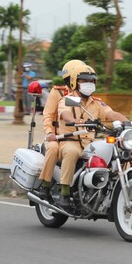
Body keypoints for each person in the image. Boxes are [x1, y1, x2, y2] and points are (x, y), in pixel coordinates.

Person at [55, 65, 132, 210]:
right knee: (72, 152)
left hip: (88, 142)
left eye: (91, 81)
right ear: (75, 82)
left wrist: (130, 123)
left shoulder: (96, 102)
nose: (88, 84)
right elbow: (66, 115)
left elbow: (111, 114)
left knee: (110, 152)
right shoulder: (67, 100)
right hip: (70, 140)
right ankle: (64, 193)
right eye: (84, 80)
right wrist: (78, 121)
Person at [32, 59, 85, 201]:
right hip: (56, 137)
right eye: (80, 78)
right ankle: (46, 184)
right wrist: (49, 132)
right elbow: (48, 115)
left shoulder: (84, 96)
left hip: (76, 137)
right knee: (53, 149)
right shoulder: (58, 92)